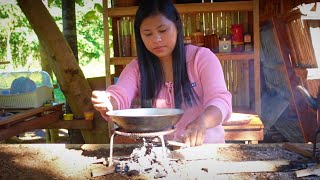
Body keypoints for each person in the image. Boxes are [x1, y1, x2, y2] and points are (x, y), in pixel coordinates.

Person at [92, 0, 232, 146]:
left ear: (177, 27)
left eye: (163, 30)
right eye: (148, 34)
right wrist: (109, 102)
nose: (156, 39)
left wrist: (202, 122)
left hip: (205, 151)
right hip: (160, 155)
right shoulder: (137, 68)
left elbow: (220, 100)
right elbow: (120, 94)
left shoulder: (201, 58)